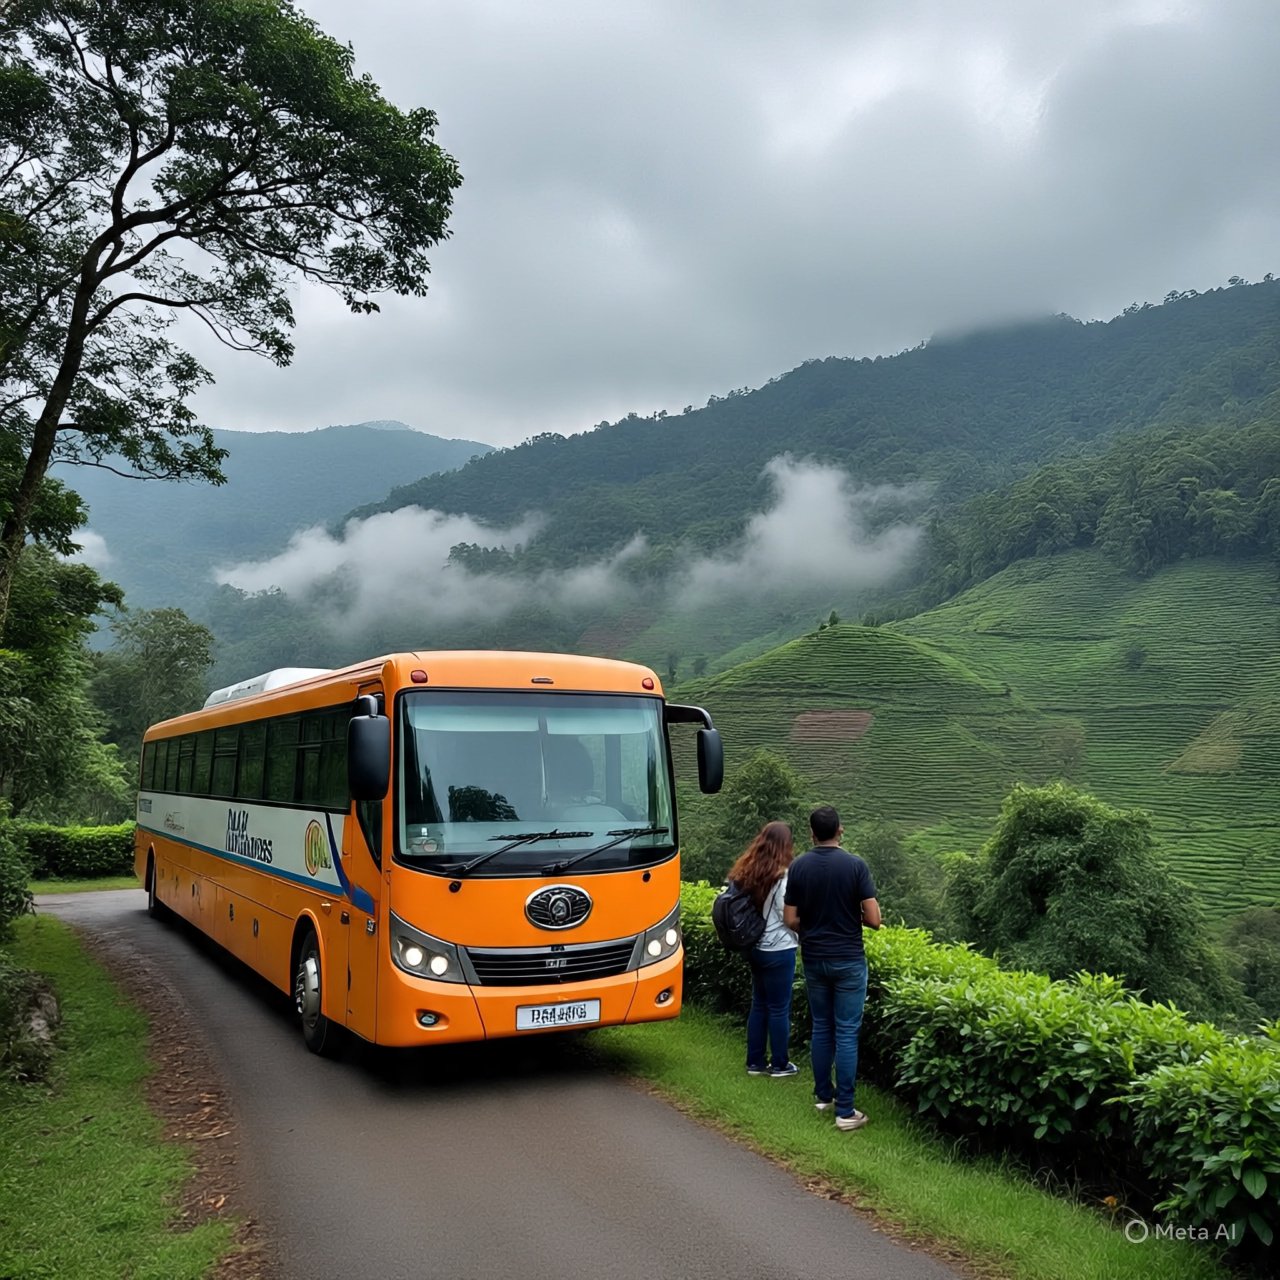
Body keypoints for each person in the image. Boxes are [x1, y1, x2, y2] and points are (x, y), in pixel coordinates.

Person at [783, 806, 881, 1131]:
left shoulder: (798, 867)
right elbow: (874, 919)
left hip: (814, 957)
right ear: (840, 829)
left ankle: (824, 1097)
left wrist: (812, 930)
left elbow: (790, 919)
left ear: (811, 833)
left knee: (822, 1027)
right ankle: (846, 1111)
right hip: (849, 959)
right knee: (847, 1031)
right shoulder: (856, 866)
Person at [726, 821, 800, 1078]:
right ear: (785, 845)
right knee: (779, 1007)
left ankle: (755, 1062)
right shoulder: (783, 876)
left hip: (754, 945)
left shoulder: (749, 870)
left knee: (759, 1004)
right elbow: (787, 915)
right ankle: (780, 1064)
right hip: (779, 949)